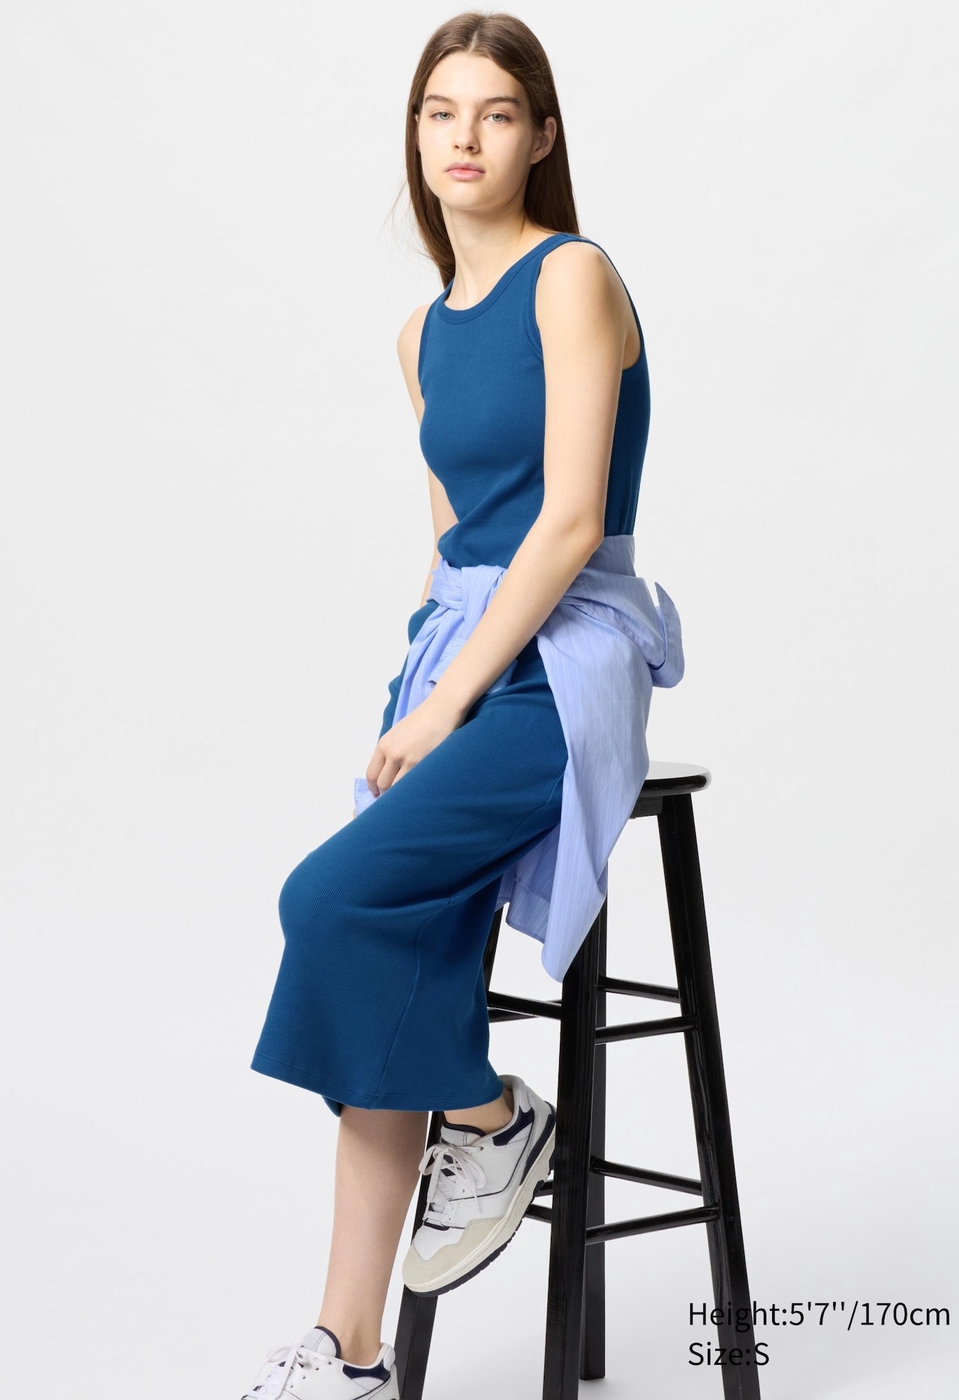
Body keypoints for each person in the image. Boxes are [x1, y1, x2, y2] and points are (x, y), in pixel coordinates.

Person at [240, 12, 683, 1398]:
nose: (464, 139)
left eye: (495, 113)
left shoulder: (573, 278)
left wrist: (451, 710)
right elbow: (455, 551)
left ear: (541, 136)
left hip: (565, 658)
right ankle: (348, 1351)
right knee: (386, 937)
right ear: (415, 136)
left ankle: (492, 1120)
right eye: (440, 112)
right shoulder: (420, 336)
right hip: (466, 653)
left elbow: (565, 526)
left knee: (327, 901)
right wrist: (419, 693)